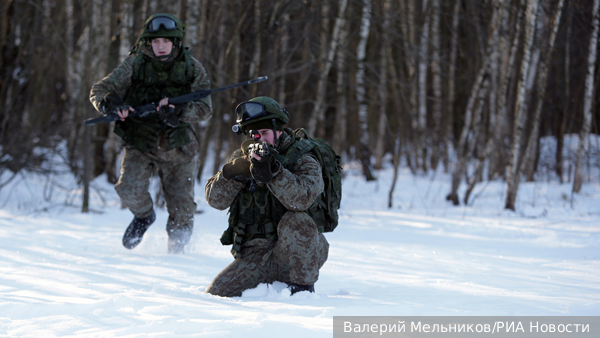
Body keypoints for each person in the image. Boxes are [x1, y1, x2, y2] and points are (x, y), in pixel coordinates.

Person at [89, 13, 212, 253]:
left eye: (166, 41)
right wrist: (112, 104)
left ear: (175, 42)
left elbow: (205, 109)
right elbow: (100, 89)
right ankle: (144, 216)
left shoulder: (192, 68)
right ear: (148, 42)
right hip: (141, 141)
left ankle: (177, 256)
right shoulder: (135, 64)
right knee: (128, 189)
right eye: (155, 41)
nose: (161, 46)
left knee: (183, 209)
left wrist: (179, 113)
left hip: (179, 146)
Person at [204, 96, 329, 297]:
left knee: (297, 220)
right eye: (254, 134)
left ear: (278, 131)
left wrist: (275, 172)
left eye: (264, 133)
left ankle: (303, 292)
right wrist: (233, 173)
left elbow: (303, 199)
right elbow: (214, 201)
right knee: (216, 295)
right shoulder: (242, 158)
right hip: (254, 257)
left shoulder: (302, 159)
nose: (259, 138)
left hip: (294, 254)